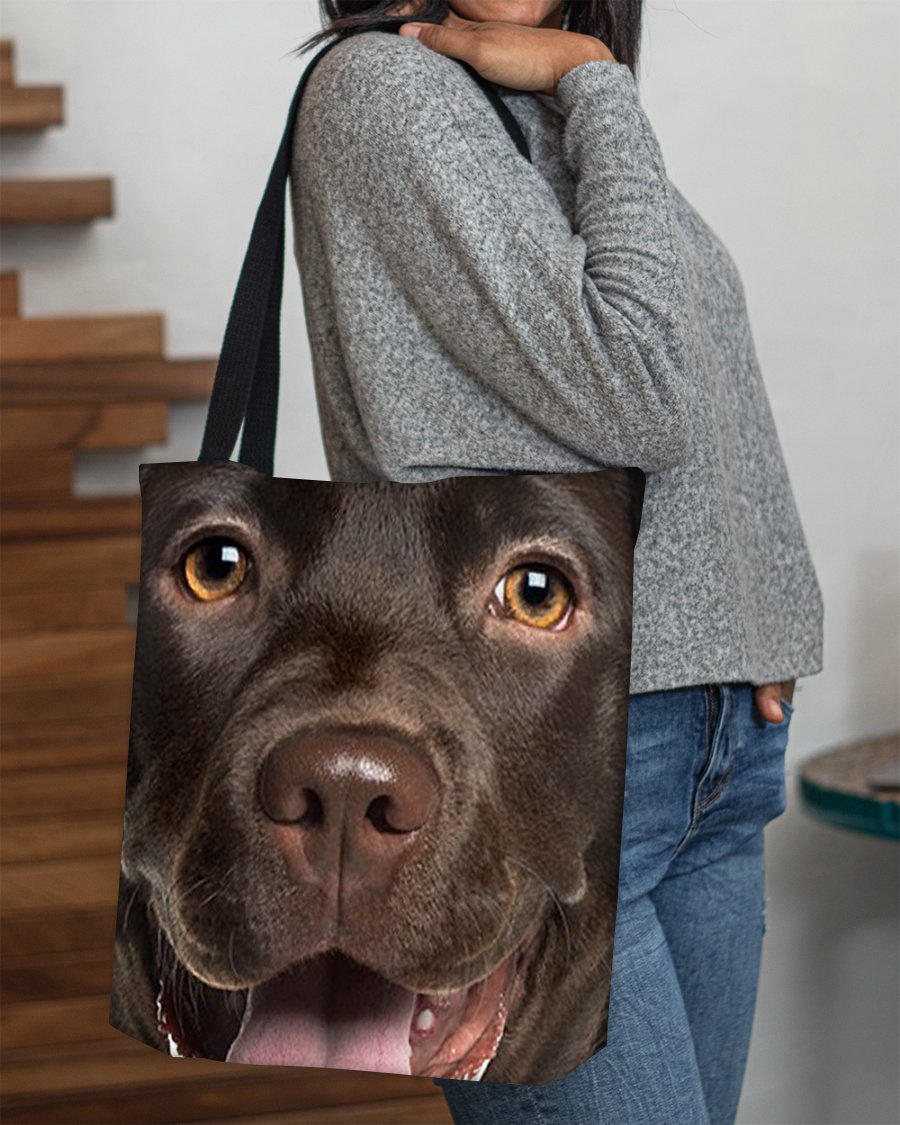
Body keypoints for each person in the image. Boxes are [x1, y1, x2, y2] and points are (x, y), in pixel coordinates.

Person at [289, 2, 824, 1122]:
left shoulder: (535, 102)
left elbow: (704, 362)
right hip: (541, 762)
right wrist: (598, 79)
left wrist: (751, 627)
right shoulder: (388, 92)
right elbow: (642, 390)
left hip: (708, 751)